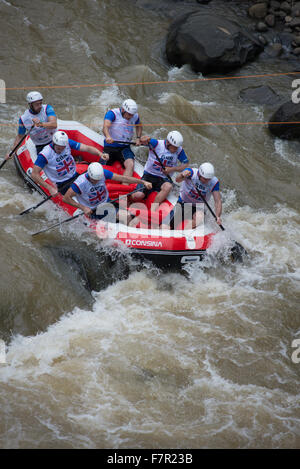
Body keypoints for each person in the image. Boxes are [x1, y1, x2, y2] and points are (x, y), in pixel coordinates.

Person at [63, 162, 152, 223]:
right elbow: (66, 198)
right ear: (89, 176)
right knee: (127, 216)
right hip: (94, 210)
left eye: (99, 179)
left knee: (132, 217)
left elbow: (123, 178)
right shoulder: (80, 183)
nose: (97, 181)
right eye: (95, 180)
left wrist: (142, 182)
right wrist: (83, 208)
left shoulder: (103, 173)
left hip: (108, 202)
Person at [31, 130, 108, 197]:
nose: (60, 151)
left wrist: (100, 154)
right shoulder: (45, 154)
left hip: (75, 175)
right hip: (62, 184)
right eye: (58, 148)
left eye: (63, 148)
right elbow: (34, 174)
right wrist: (50, 188)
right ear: (53, 143)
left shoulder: (68, 143)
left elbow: (87, 148)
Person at [130, 130, 189, 206]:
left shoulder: (179, 150)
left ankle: (152, 210)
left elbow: (186, 164)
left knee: (168, 186)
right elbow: (141, 141)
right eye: (174, 147)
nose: (176, 150)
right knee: (139, 195)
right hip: (149, 175)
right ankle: (130, 199)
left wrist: (172, 169)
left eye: (177, 148)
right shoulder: (156, 144)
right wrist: (142, 139)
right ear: (168, 143)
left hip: (164, 178)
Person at [163, 162, 222, 230]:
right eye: (205, 179)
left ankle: (180, 231)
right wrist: (182, 175)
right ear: (199, 174)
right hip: (183, 203)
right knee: (164, 227)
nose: (207, 181)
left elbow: (218, 201)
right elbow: (177, 180)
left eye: (209, 179)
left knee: (200, 216)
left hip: (198, 207)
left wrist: (218, 216)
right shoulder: (191, 172)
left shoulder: (214, 182)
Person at [5, 91, 58, 160]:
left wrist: (40, 124)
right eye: (37, 104)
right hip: (41, 146)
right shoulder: (24, 119)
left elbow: (54, 124)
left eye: (40, 103)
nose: (39, 106)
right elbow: (20, 137)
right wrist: (12, 152)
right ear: (30, 105)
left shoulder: (47, 108)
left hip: (54, 140)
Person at [102, 99, 142, 178]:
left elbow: (139, 126)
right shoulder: (112, 113)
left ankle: (125, 186)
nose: (131, 117)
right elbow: (105, 127)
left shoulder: (135, 116)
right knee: (103, 163)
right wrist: (108, 136)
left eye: (132, 115)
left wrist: (138, 138)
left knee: (130, 163)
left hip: (125, 146)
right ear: (123, 110)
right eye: (129, 114)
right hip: (111, 145)